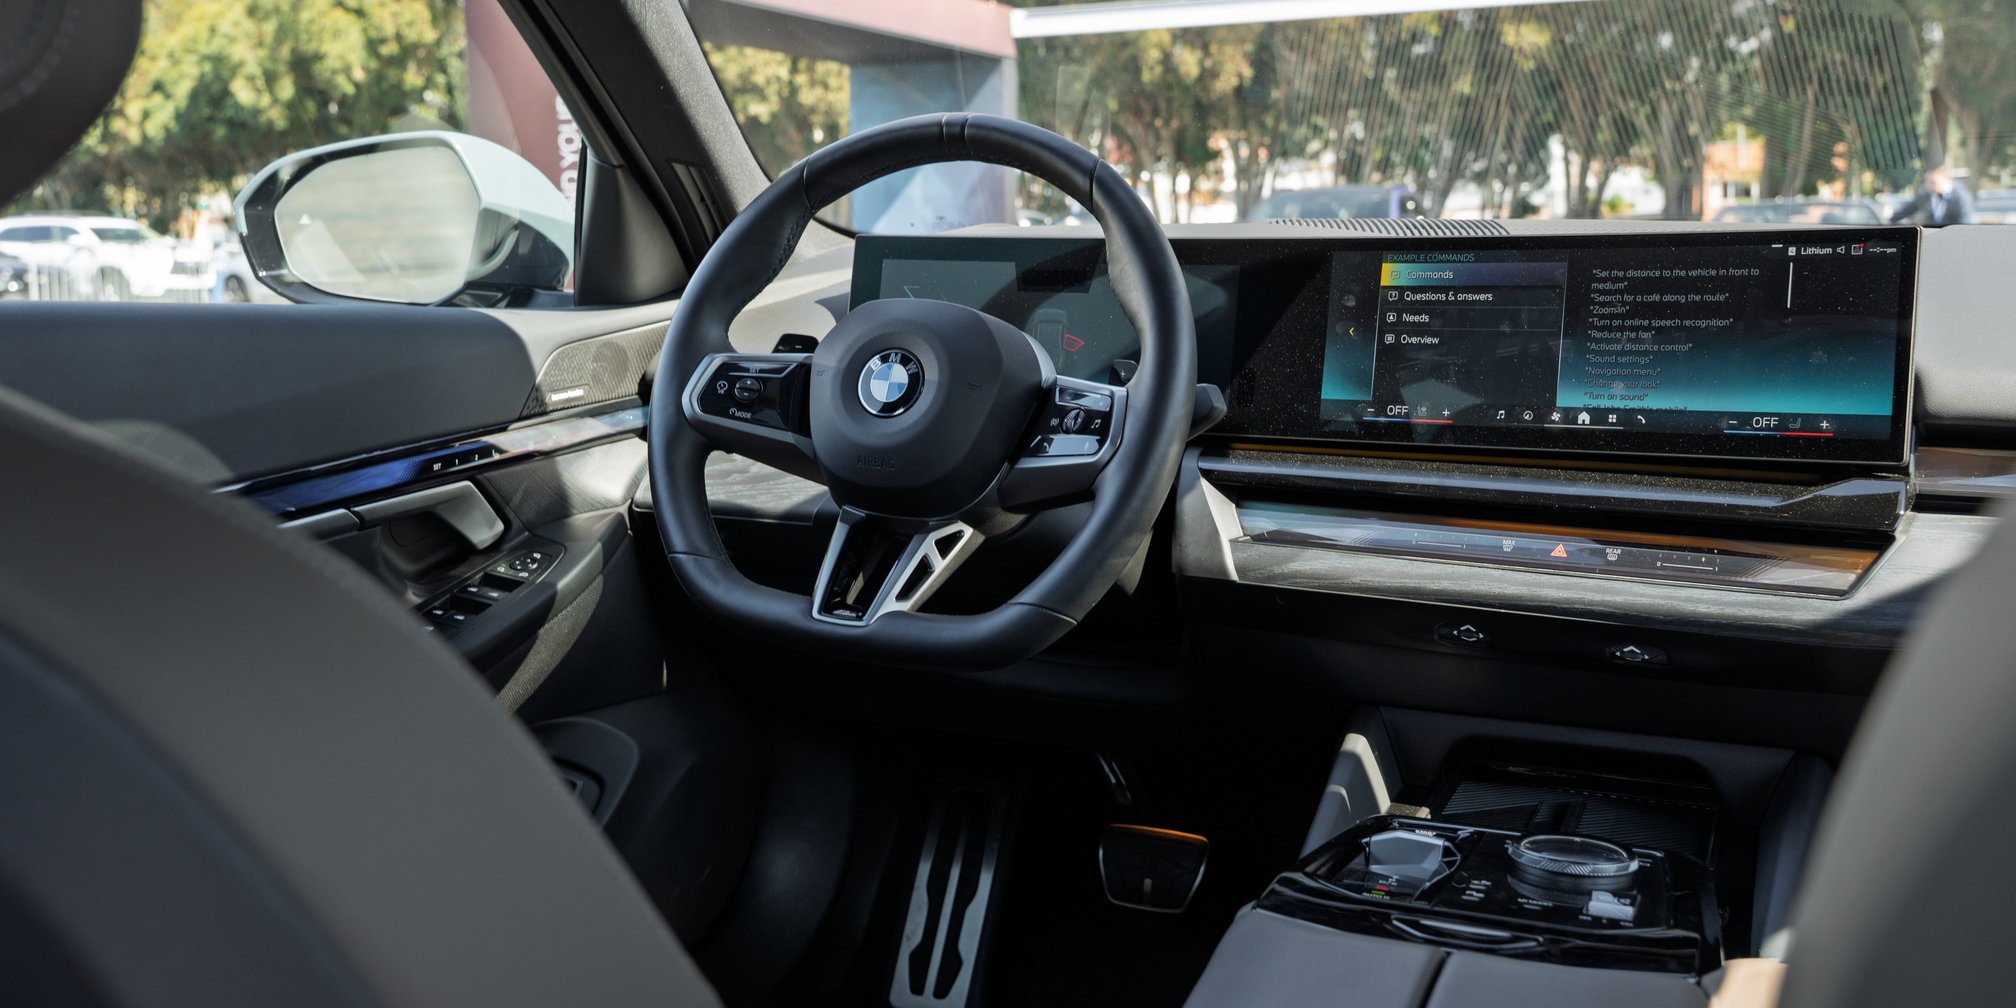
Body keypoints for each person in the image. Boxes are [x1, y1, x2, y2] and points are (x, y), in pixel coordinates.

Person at [1890, 165, 1975, 226]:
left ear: (1947, 180)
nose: (1928, 186)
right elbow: (1907, 210)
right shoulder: (1925, 194)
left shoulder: (1961, 197)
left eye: (1933, 183)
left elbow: (1965, 223)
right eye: (1927, 182)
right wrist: (1888, 221)